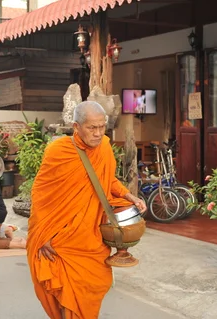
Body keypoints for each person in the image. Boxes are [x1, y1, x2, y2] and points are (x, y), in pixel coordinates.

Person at [27, 101, 147, 319]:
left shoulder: (105, 148)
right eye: (92, 128)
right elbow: (40, 194)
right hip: (61, 236)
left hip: (91, 236)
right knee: (66, 293)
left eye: (102, 127)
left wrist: (129, 196)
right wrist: (42, 234)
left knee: (91, 288)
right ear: (76, 127)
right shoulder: (58, 151)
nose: (98, 133)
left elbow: (107, 181)